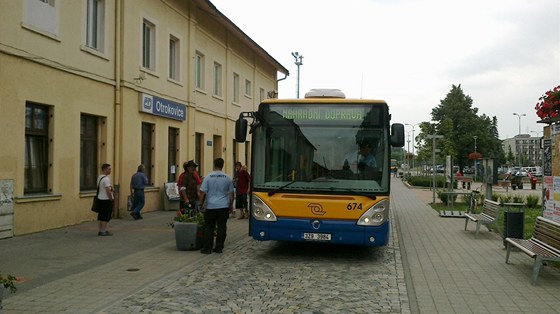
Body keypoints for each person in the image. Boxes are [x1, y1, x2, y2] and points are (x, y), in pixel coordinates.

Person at [199, 158, 234, 254]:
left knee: (209, 227)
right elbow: (231, 194)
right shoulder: (227, 178)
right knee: (222, 227)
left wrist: (201, 204)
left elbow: (202, 192)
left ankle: (207, 248)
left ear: (214, 165)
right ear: (223, 165)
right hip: (223, 205)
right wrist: (231, 205)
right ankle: (219, 247)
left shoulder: (208, 177)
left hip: (211, 206)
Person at [97, 163, 114, 236]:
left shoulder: (99, 177)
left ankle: (101, 230)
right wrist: (111, 198)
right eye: (109, 169)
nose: (110, 171)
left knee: (101, 215)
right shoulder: (106, 179)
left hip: (100, 198)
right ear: (104, 170)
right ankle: (103, 231)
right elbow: (108, 190)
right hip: (106, 199)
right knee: (105, 216)